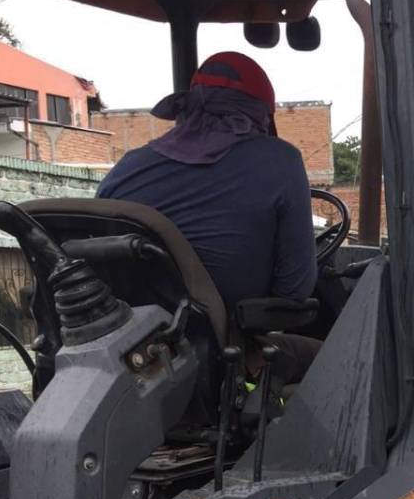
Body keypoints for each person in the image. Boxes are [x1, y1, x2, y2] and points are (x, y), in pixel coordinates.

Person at [98, 52, 317, 314]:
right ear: (260, 114)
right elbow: (295, 289)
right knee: (323, 352)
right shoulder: (281, 160)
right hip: (224, 344)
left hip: (124, 339)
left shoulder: (126, 167)